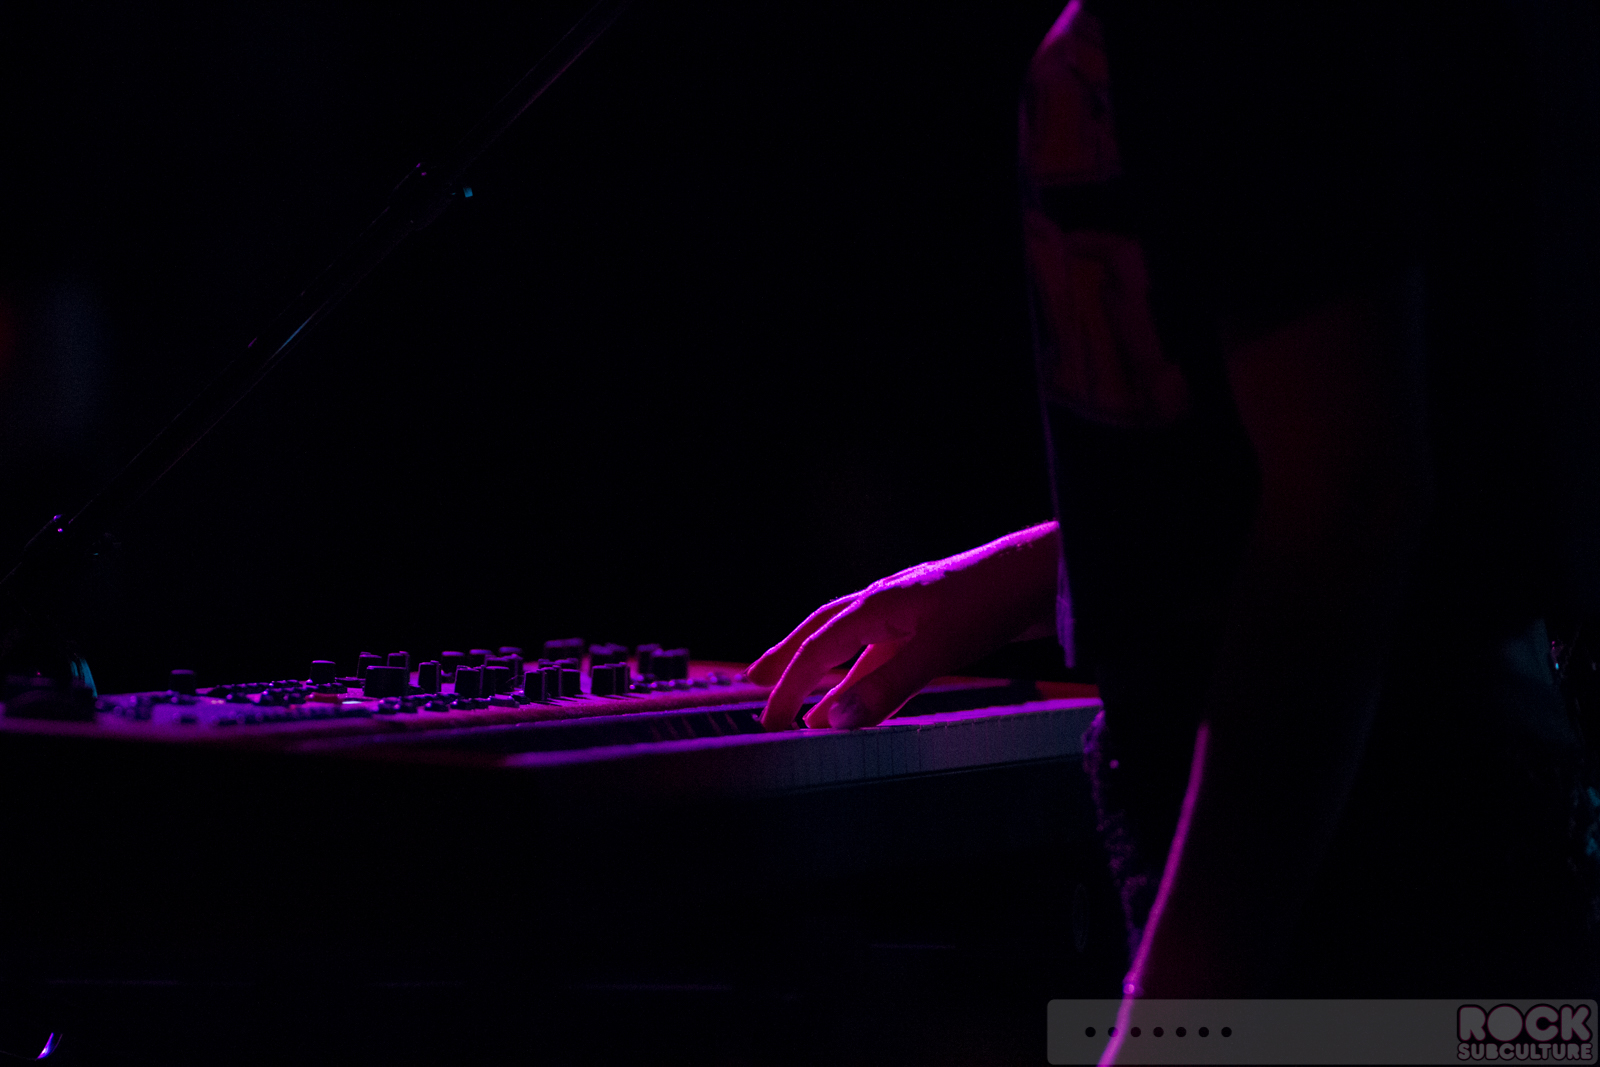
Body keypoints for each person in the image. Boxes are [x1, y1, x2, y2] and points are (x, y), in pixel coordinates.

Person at [747, 0, 1600, 1036]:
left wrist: (1178, 1022)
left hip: (1393, 877)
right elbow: (1355, 432)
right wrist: (1041, 571)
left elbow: (1352, 504)